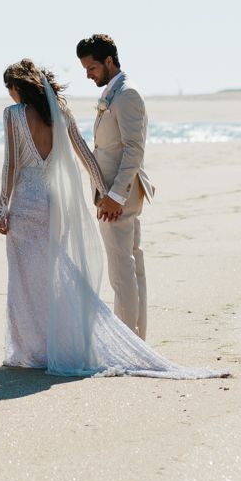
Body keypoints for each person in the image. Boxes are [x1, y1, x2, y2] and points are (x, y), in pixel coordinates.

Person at [0, 58, 227, 379]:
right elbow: (85, 155)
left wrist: (2, 208)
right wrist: (104, 191)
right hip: (53, 205)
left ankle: (30, 350)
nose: (9, 96)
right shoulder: (60, 112)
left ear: (16, 87)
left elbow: (11, 166)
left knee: (23, 279)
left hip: (24, 205)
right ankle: (53, 345)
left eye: (9, 89)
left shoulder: (13, 116)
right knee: (54, 274)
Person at [77, 34, 153, 340]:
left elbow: (134, 149)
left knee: (122, 273)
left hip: (118, 196)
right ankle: (137, 340)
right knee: (131, 269)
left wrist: (113, 196)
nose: (88, 74)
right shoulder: (114, 92)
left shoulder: (127, 94)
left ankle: (128, 344)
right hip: (112, 193)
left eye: (92, 67)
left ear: (109, 61)